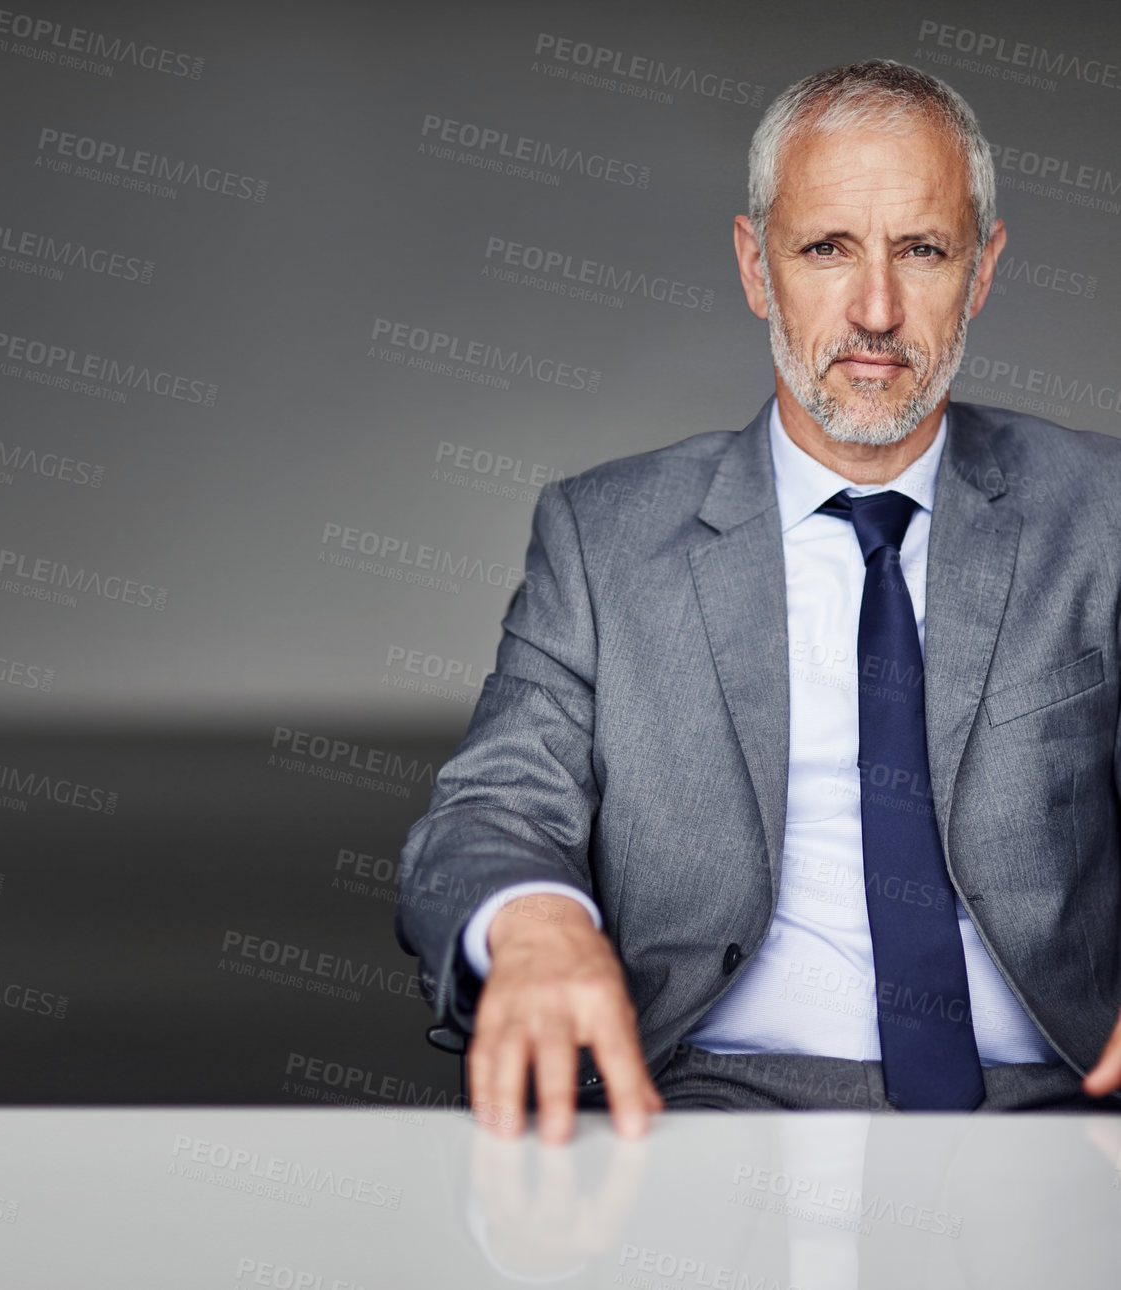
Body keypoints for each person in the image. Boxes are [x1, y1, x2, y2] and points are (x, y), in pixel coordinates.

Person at [394, 59, 1121, 1143]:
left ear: (982, 271)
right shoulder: (603, 538)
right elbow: (491, 812)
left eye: (921, 250)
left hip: (1066, 1114)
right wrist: (535, 921)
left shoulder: (1104, 511)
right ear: (754, 265)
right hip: (703, 1109)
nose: (875, 311)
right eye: (827, 247)